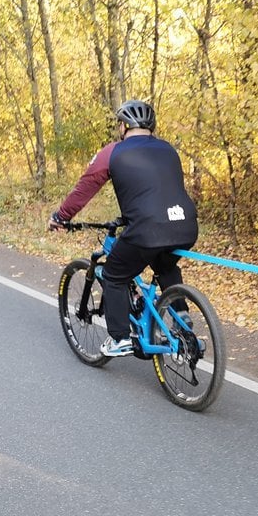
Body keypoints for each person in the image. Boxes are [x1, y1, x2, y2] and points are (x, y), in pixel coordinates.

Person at [49, 99, 198, 357]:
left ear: (123, 126)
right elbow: (158, 190)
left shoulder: (113, 152)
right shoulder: (169, 150)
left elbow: (85, 188)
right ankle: (182, 317)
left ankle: (118, 338)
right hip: (185, 226)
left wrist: (61, 216)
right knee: (165, 264)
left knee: (114, 274)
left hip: (147, 228)